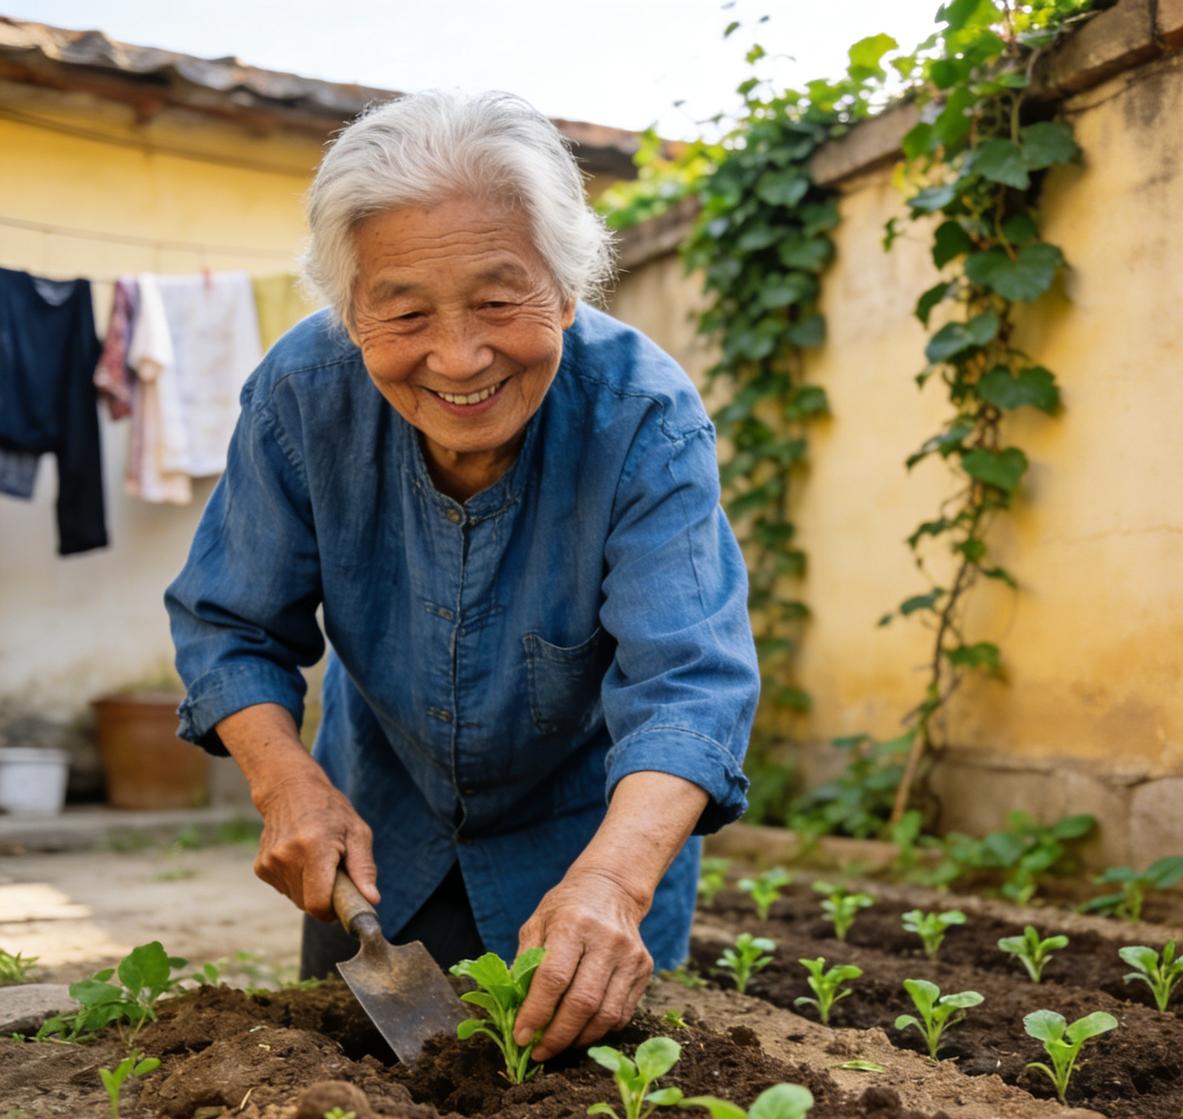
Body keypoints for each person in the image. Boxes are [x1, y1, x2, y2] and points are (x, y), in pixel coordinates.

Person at [165, 89, 759, 1065]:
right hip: (379, 838)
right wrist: (289, 785)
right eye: (403, 311)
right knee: (355, 1078)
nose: (458, 356)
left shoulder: (642, 415)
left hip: (588, 843)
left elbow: (688, 679)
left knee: (609, 1107)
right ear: (349, 311)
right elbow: (230, 623)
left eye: (497, 299)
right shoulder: (300, 395)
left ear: (567, 288)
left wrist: (610, 884)